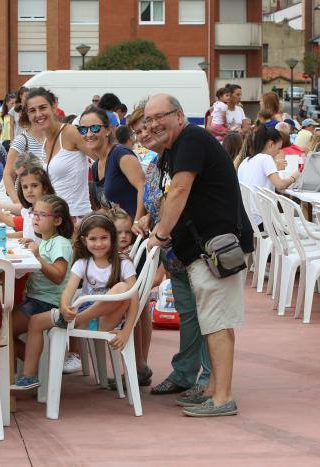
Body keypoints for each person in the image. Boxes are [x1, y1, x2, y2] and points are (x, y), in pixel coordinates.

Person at [145, 93, 253, 417]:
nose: (153, 125)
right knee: (212, 321)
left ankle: (222, 398)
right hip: (205, 251)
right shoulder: (175, 148)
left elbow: (179, 190)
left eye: (159, 117)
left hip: (217, 250)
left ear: (179, 115)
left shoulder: (191, 139)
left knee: (218, 322)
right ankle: (211, 389)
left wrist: (160, 235)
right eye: (149, 119)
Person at [129, 104, 211, 400]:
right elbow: (158, 202)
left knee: (207, 315)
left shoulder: (180, 155)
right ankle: (184, 373)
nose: (145, 134)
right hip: (173, 252)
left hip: (194, 248)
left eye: (148, 126)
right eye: (138, 130)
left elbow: (180, 195)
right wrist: (146, 219)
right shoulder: (155, 164)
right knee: (188, 314)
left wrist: (159, 230)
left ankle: (210, 378)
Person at [12, 213, 139, 390]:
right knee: (35, 321)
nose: (99, 243)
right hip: (81, 316)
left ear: (112, 238)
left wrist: (126, 331)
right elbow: (68, 292)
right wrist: (64, 306)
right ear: (84, 240)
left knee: (122, 289)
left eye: (104, 238)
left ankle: (77, 318)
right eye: (93, 239)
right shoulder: (83, 263)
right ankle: (29, 376)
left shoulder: (123, 263)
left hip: (106, 321)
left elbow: (134, 297)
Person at [10, 195, 74, 360]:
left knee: (3, 331)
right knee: (1, 324)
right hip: (36, 300)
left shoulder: (60, 243)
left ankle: (37, 366)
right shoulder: (46, 242)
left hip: (46, 303)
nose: (36, 218)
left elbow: (58, 276)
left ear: (57, 221)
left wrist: (38, 256)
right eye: (34, 214)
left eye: (42, 215)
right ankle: (38, 366)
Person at [21, 87, 93, 220]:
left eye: (42, 108)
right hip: (56, 219)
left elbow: (101, 158)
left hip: (76, 218)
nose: (38, 114)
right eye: (32, 110)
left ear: (54, 106)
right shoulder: (44, 143)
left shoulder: (70, 132)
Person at [81, 107, 145, 217]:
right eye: (83, 129)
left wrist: (137, 222)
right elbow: (107, 206)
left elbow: (143, 187)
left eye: (95, 128)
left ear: (108, 130)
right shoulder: (96, 166)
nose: (89, 134)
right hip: (118, 231)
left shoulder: (120, 154)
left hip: (135, 230)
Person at [237, 126, 299, 225]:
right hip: (263, 219)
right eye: (278, 148)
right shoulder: (266, 158)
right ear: (271, 144)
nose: (279, 152)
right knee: (296, 226)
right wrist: (294, 176)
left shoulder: (245, 161)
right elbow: (280, 185)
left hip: (247, 219)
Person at [3, 115, 44, 204]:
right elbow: (7, 174)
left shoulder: (54, 139)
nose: (39, 114)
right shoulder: (22, 140)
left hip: (47, 203)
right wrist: (17, 202)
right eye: (32, 111)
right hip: (26, 202)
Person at [8, 165, 55, 241]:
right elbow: (27, 233)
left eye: (34, 185)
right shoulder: (26, 211)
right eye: (25, 187)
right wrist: (6, 236)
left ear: (45, 188)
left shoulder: (48, 214)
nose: (29, 190)